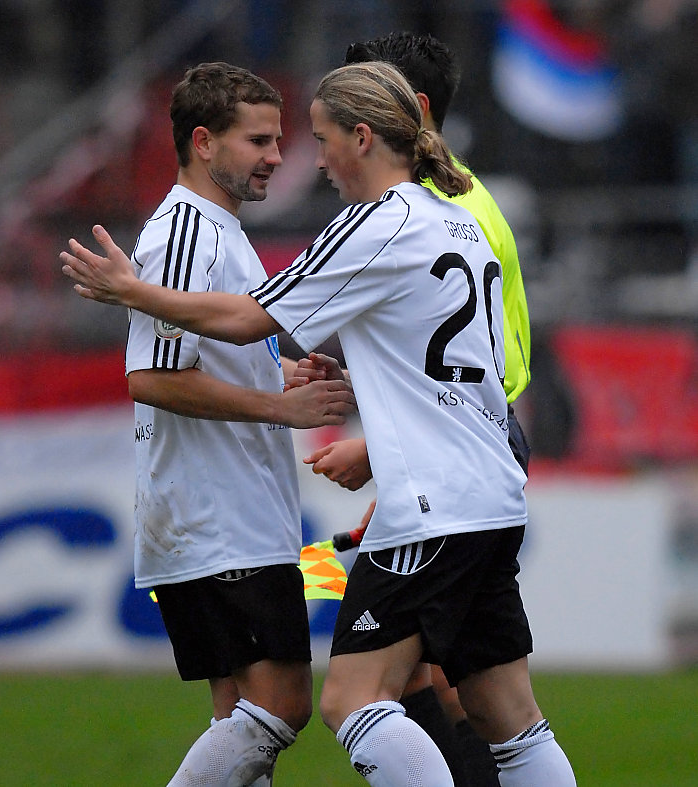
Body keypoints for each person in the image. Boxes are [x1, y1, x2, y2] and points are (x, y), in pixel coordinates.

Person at [61, 60, 576, 787]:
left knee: (349, 700)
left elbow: (249, 319)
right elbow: (458, 373)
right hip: (491, 493)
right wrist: (345, 418)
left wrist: (130, 290)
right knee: (509, 717)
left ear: (361, 137)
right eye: (267, 140)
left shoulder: (373, 222)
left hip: (429, 503)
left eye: (319, 138)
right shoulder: (460, 221)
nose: (307, 159)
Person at [92, 61, 356, 787]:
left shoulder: (222, 232)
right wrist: (279, 407)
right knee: (282, 705)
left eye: (277, 140)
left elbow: (201, 357)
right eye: (258, 141)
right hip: (215, 511)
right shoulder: (185, 233)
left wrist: (277, 374)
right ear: (203, 142)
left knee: (239, 718)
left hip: (230, 508)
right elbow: (151, 378)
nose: (277, 156)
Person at [296, 30, 534, 786]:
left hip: (455, 456)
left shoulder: (415, 209)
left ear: (406, 109)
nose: (328, 147)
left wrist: (382, 452)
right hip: (476, 450)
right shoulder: (464, 201)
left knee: (386, 690)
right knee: (477, 695)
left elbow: (466, 370)